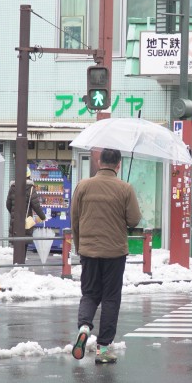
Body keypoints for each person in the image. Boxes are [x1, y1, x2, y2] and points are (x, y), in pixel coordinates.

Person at [69, 148, 141, 365]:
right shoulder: (125, 188)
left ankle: (84, 326)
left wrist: (80, 246)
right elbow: (134, 220)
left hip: (89, 251)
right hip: (114, 253)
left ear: (99, 162)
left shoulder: (83, 186)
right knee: (110, 298)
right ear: (118, 164)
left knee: (90, 294)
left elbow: (75, 219)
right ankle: (104, 348)